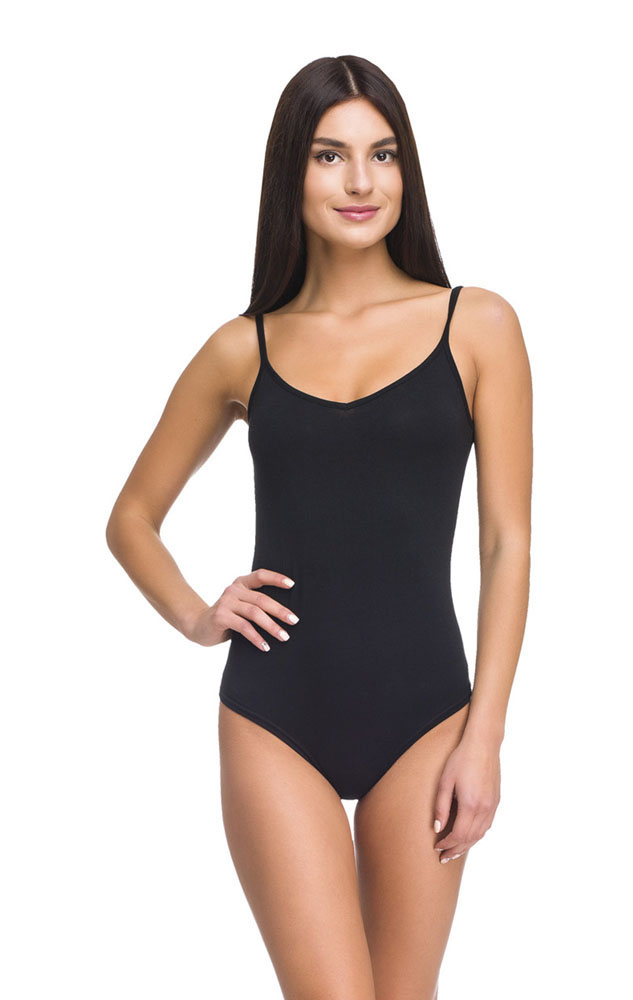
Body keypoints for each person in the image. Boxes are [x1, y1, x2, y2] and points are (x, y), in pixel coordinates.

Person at [106, 54, 532, 1000]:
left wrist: (484, 738)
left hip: (427, 715)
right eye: (329, 155)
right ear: (290, 174)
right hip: (276, 715)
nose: (360, 181)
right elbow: (131, 518)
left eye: (383, 154)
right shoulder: (241, 347)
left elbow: (506, 544)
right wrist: (197, 615)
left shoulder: (476, 325)